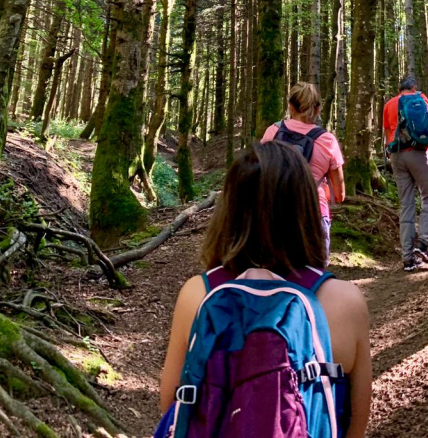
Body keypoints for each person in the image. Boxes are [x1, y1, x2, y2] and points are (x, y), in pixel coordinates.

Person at [159, 142, 372, 438]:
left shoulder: (198, 294)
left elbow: (173, 405)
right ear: (305, 209)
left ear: (229, 210)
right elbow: (355, 425)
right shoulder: (346, 301)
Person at [261, 81, 345, 264]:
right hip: (314, 213)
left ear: (291, 106)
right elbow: (340, 194)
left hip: (275, 215)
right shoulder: (328, 141)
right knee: (315, 280)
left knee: (275, 279)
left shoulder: (272, 133)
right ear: (317, 109)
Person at [382, 73, 428, 272]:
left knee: (406, 204)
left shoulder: (389, 104)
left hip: (397, 156)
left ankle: (408, 259)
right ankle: (423, 245)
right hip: (419, 153)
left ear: (399, 89)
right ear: (414, 88)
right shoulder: (421, 99)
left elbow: (386, 135)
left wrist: (390, 157)